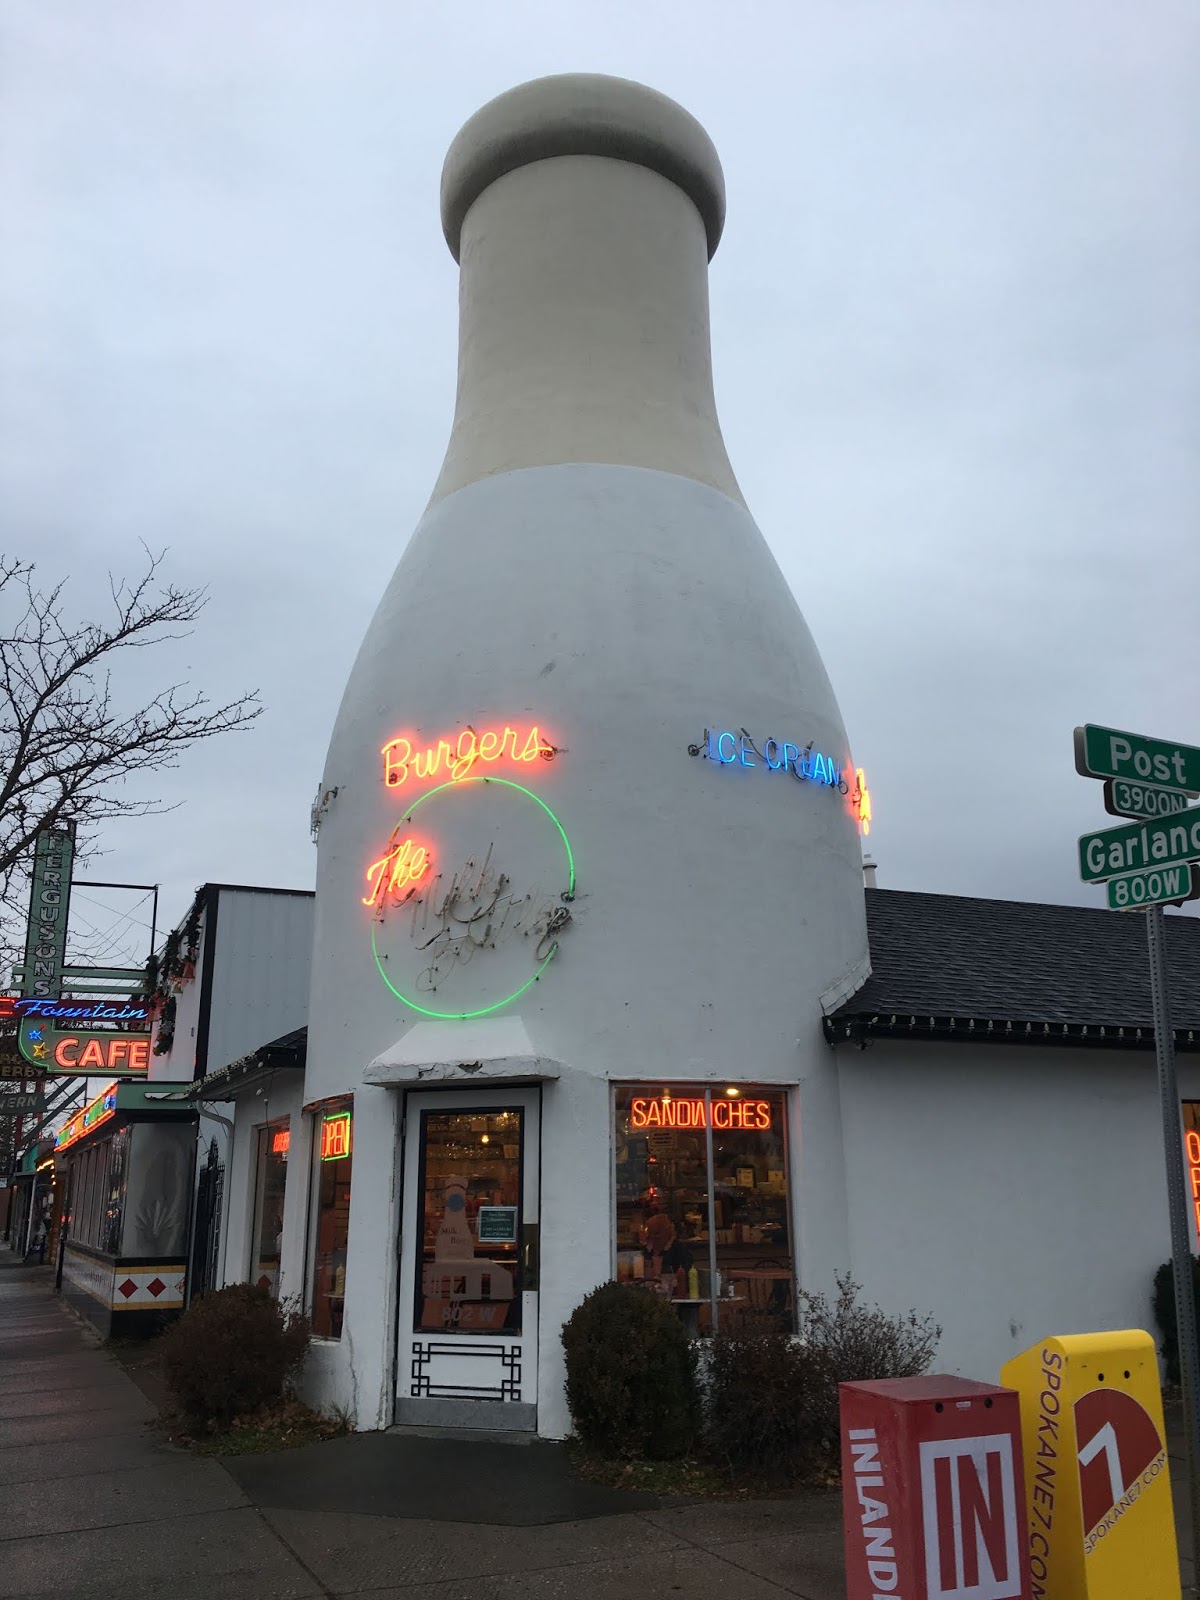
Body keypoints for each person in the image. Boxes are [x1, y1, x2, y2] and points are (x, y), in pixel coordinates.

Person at [642, 1212, 692, 1292]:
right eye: (650, 1234)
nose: (653, 1238)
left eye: (656, 1234)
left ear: (666, 1232)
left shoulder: (680, 1250)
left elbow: (685, 1277)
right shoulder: (648, 1250)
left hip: (673, 1292)